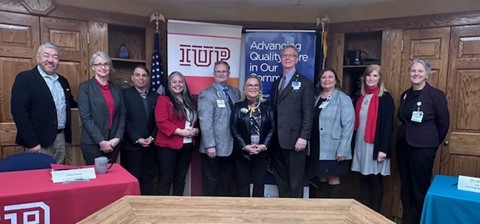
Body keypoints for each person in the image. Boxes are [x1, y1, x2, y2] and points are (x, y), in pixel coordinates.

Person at [397, 58, 449, 224]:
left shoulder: (436, 95)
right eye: (413, 71)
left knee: (419, 188)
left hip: (423, 148)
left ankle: (419, 221)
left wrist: (431, 143)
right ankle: (407, 220)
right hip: (403, 146)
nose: (416, 74)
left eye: (420, 71)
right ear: (409, 73)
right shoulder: (405, 95)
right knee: (406, 186)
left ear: (427, 74)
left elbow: (443, 125)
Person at [11, 42, 76, 164]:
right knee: (38, 178)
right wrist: (32, 143)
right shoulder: (25, 78)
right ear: (38, 57)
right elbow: (19, 112)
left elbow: (71, 104)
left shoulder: (63, 81)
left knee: (57, 176)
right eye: (46, 55)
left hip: (60, 138)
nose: (51, 60)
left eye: (55, 57)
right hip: (37, 141)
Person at [270, 45, 314, 198]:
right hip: (276, 141)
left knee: (295, 183)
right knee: (281, 181)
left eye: (291, 55)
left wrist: (304, 137)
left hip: (296, 141)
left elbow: (309, 113)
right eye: (284, 55)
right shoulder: (277, 83)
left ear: (297, 59)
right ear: (280, 59)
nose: (287, 58)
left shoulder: (305, 83)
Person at [351, 64, 394, 211]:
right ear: (364, 78)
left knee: (375, 178)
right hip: (361, 144)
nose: (371, 78)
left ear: (380, 78)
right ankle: (364, 213)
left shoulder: (385, 98)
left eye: (375, 75)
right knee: (363, 177)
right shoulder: (360, 97)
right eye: (369, 75)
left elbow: (388, 126)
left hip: (376, 146)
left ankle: (374, 215)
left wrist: (383, 150)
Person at [306, 68, 354, 198]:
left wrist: (343, 149)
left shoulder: (343, 98)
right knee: (321, 178)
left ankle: (333, 210)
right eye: (323, 77)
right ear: (320, 81)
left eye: (330, 77)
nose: (327, 80)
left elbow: (348, 126)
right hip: (317, 146)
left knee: (333, 179)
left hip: (334, 148)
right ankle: (322, 211)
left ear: (336, 80)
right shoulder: (316, 98)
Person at [198, 61, 241, 196]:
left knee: (226, 183)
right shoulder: (206, 94)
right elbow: (205, 121)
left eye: (224, 71)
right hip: (214, 147)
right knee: (212, 183)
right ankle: (211, 212)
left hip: (231, 146)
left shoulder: (236, 92)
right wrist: (210, 145)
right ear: (214, 74)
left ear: (229, 73)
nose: (221, 74)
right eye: (218, 71)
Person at [230, 74, 275, 197]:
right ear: (245, 89)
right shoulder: (238, 106)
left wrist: (264, 146)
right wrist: (244, 146)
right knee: (242, 185)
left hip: (262, 152)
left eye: (256, 85)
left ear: (260, 89)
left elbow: (272, 128)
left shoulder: (267, 107)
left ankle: (257, 213)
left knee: (259, 185)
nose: (253, 88)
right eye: (250, 85)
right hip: (243, 153)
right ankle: (243, 212)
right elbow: (233, 129)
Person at [154, 71, 199, 195]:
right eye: (174, 82)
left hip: (187, 146)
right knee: (166, 179)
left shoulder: (189, 101)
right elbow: (162, 121)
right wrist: (181, 133)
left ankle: (177, 207)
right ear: (169, 84)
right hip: (168, 147)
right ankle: (162, 208)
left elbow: (195, 122)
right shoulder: (163, 100)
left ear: (184, 84)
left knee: (180, 179)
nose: (177, 84)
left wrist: (196, 131)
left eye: (180, 82)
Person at [78, 51, 126, 165]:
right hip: (92, 143)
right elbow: (86, 118)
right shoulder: (85, 87)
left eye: (106, 64)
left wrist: (117, 138)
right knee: (96, 180)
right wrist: (101, 141)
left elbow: (122, 115)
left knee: (110, 178)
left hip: (113, 143)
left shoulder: (117, 89)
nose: (103, 67)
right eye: (98, 64)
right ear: (93, 67)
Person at [122, 65, 158, 195]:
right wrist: (137, 139)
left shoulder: (156, 96)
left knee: (148, 178)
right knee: (133, 178)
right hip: (132, 146)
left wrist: (152, 137)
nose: (140, 78)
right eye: (137, 75)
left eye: (144, 75)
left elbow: (158, 121)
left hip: (150, 145)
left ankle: (146, 207)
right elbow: (124, 119)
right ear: (132, 78)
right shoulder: (124, 94)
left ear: (148, 78)